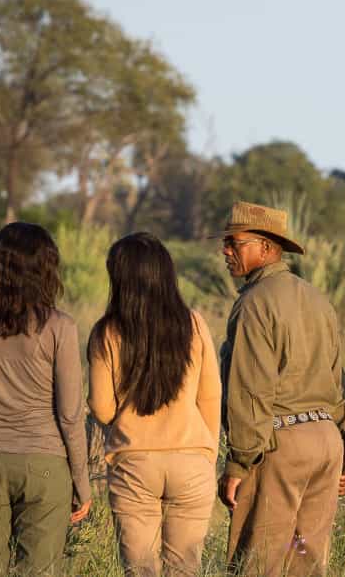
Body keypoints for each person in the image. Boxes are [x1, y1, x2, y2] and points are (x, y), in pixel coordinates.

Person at [212, 201, 345, 576]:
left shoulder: (254, 304)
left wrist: (239, 463)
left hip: (280, 446)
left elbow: (250, 390)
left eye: (234, 242)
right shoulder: (318, 299)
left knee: (257, 564)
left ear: (266, 247)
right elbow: (341, 382)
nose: (225, 250)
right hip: (326, 444)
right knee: (306, 565)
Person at [0, 222, 91, 575]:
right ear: (46, 270)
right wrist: (81, 480)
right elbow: (71, 414)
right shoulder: (60, 327)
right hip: (45, 463)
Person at [87, 233, 222, 576]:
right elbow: (210, 395)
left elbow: (102, 409)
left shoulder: (107, 332)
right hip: (193, 461)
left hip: (134, 464)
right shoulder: (193, 323)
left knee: (141, 570)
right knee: (185, 569)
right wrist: (207, 452)